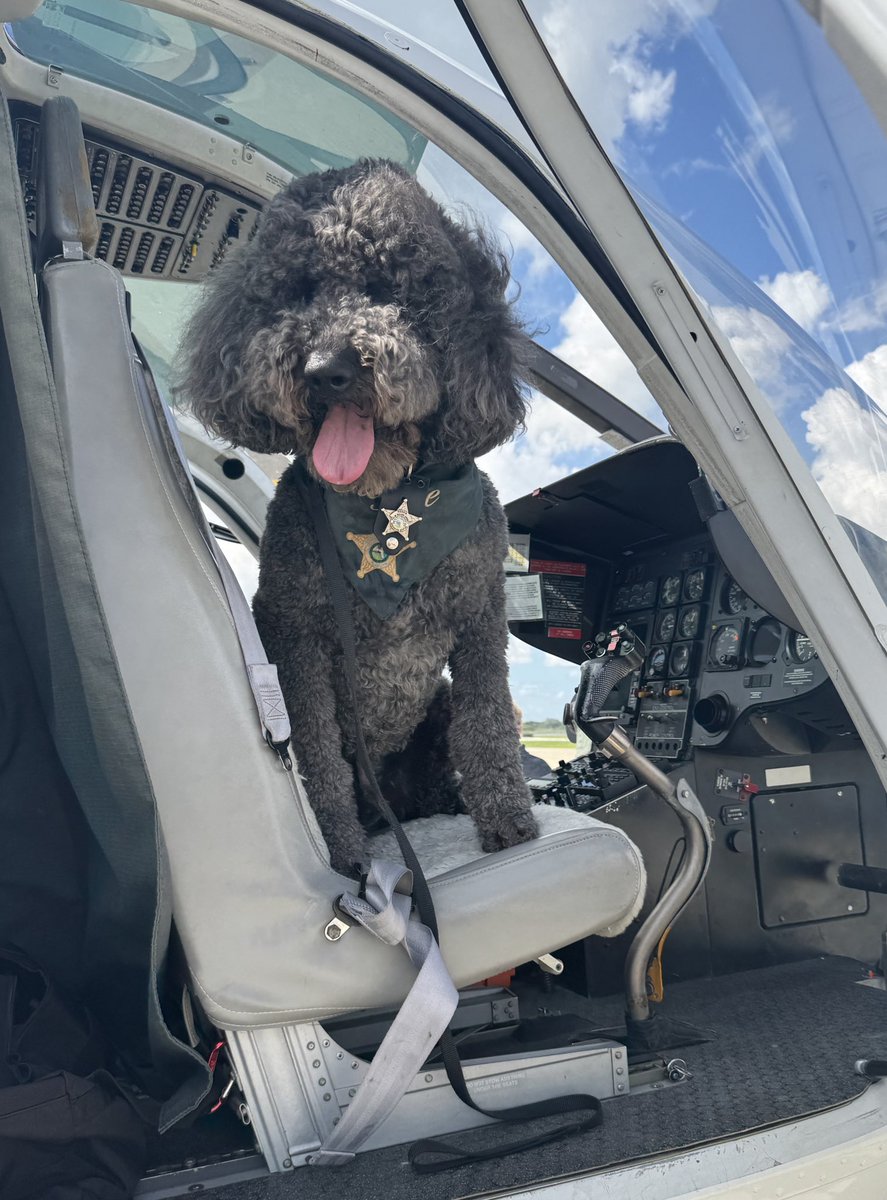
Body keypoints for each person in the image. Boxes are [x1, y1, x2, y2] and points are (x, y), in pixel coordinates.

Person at [512, 701, 552, 782]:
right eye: (511, 722)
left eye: (518, 722)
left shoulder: (538, 766)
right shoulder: (538, 765)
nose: (517, 727)